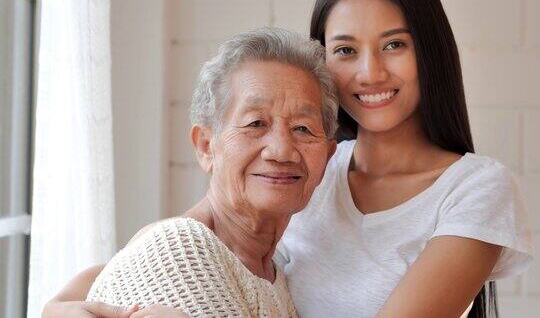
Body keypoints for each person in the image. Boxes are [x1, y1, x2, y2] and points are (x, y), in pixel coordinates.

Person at [42, 28, 338, 318]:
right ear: (206, 146)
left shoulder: (273, 273)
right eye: (255, 123)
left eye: (303, 128)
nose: (281, 150)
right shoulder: (180, 250)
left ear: (328, 154)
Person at [273, 0, 533, 317]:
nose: (370, 73)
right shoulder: (310, 171)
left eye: (394, 45)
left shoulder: (476, 189)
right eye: (346, 50)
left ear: (429, 50)